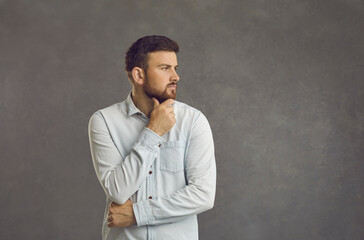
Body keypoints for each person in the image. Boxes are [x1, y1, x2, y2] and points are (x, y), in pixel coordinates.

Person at [88, 35, 216, 240]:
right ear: (139, 75)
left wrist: (138, 214)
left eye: (175, 68)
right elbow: (118, 191)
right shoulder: (104, 121)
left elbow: (203, 196)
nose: (175, 76)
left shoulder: (193, 121)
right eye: (165, 68)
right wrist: (153, 132)